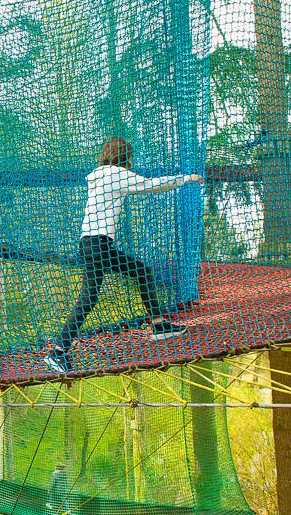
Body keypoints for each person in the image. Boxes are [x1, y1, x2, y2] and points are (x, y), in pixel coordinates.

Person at [44, 137, 202, 374]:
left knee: (140, 271)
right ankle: (57, 352)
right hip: (97, 245)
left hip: (95, 244)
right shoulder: (115, 174)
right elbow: (151, 185)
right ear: (124, 157)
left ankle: (159, 325)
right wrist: (186, 178)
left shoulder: (99, 175)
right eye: (129, 156)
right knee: (88, 298)